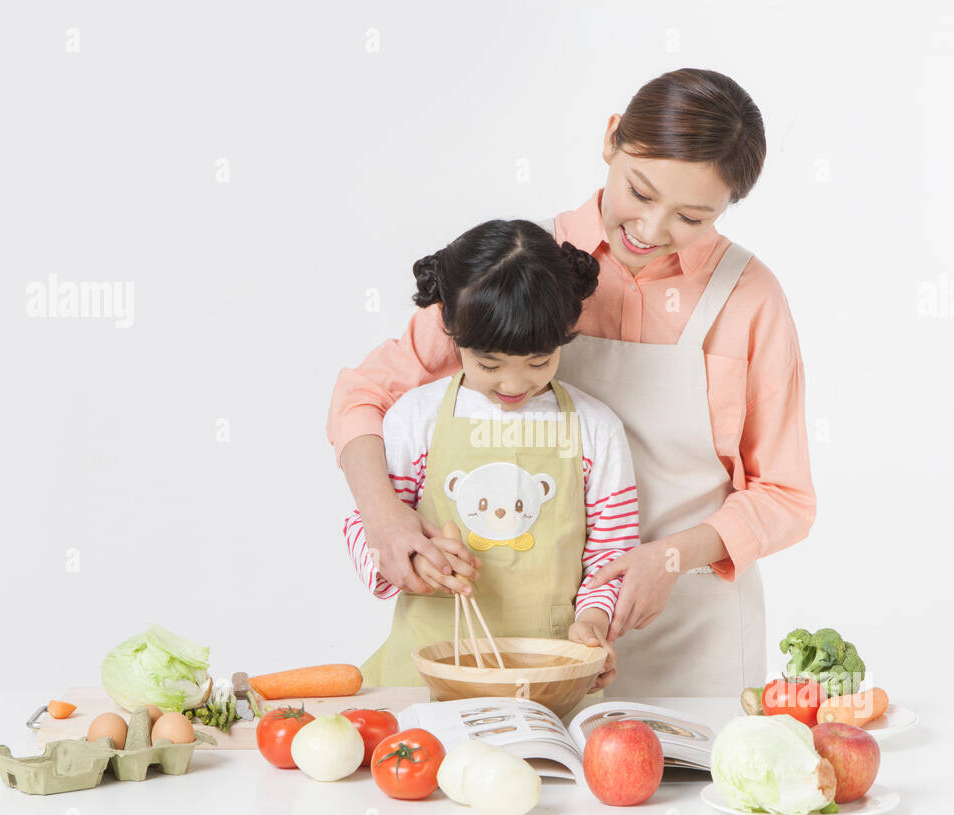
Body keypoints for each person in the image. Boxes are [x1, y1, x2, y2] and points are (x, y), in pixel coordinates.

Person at [329, 68, 815, 697]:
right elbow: (363, 397)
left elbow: (786, 495)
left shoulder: (751, 298)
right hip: (526, 642)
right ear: (612, 140)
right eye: (639, 191)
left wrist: (669, 559)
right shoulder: (524, 268)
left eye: (691, 217)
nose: (650, 228)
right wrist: (385, 520)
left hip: (692, 637)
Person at [343, 219, 638, 690]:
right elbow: (367, 526)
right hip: (422, 679)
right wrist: (412, 563)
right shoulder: (414, 419)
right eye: (489, 364)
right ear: (452, 333)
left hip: (545, 683)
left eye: (539, 362)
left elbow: (612, 553)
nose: (514, 384)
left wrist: (594, 625)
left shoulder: (596, 429)